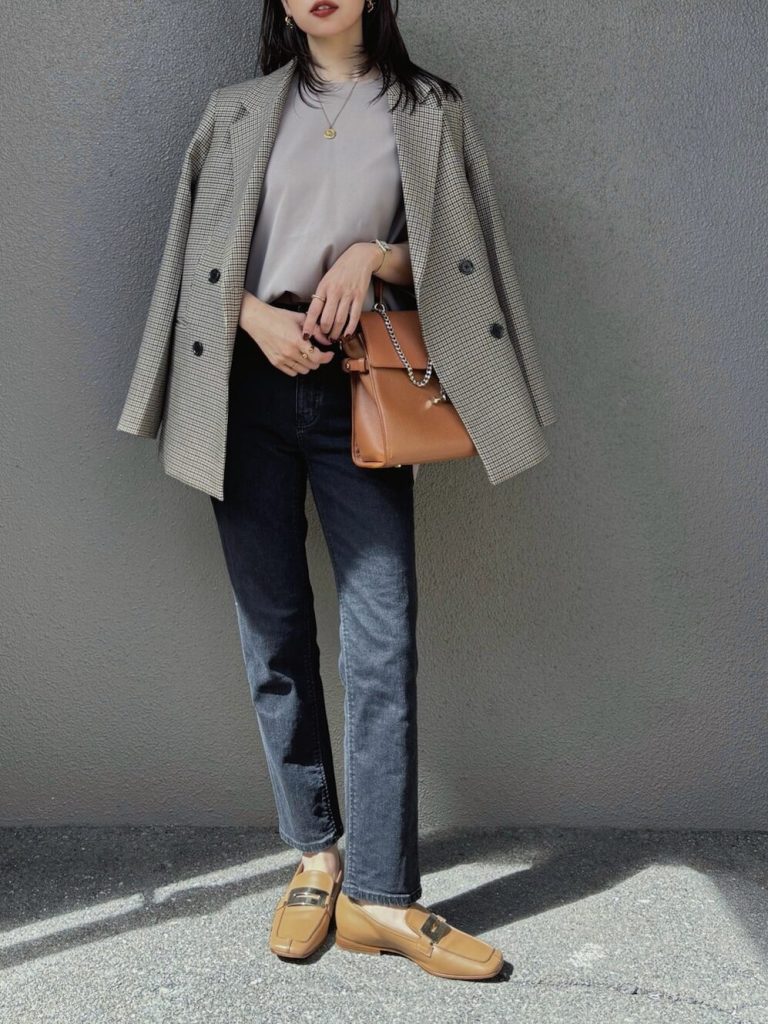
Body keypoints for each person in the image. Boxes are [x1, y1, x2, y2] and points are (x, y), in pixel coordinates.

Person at [117, 0, 557, 981]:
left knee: (381, 637)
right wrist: (253, 318)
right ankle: (317, 853)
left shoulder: (429, 111)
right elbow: (192, 261)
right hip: (245, 391)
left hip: (365, 390)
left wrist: (371, 257)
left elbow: (462, 255)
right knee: (273, 631)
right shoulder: (235, 111)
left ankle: (383, 897)